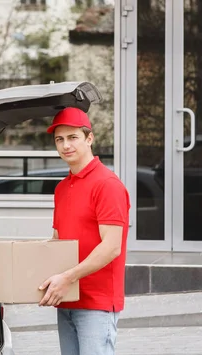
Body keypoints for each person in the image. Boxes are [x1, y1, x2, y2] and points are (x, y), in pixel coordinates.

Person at [38, 107, 130, 355]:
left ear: (89, 139)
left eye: (73, 137)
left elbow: (111, 247)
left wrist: (67, 278)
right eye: (59, 139)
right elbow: (58, 241)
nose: (65, 145)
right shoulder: (62, 188)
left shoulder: (107, 185)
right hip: (66, 299)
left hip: (96, 304)